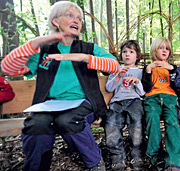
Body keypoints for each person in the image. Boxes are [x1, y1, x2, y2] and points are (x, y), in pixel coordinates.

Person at [1, 1, 120, 171]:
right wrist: (36, 43)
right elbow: (8, 68)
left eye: (79, 18)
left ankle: (94, 163)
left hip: (84, 103)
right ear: (55, 21)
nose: (77, 20)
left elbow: (115, 66)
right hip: (49, 106)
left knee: (68, 120)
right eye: (70, 15)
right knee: (36, 124)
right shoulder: (44, 51)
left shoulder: (89, 48)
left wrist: (84, 58)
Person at [142, 38, 180, 171]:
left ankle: (174, 160)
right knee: (152, 119)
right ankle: (154, 157)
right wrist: (148, 70)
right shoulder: (149, 68)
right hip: (152, 98)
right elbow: (145, 88)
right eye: (161, 48)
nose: (165, 50)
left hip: (170, 98)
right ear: (154, 50)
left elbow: (177, 86)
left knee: (172, 122)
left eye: (167, 48)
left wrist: (171, 70)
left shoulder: (172, 68)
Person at [105, 40, 145, 171]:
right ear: (121, 55)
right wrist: (118, 77)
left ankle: (137, 155)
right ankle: (117, 156)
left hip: (134, 101)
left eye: (131, 52)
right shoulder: (116, 69)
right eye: (124, 52)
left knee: (137, 126)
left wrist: (137, 82)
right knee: (111, 126)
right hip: (117, 103)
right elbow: (108, 87)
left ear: (137, 56)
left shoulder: (140, 71)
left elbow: (143, 93)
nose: (127, 54)